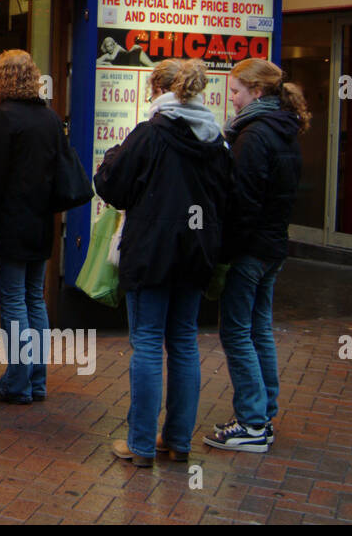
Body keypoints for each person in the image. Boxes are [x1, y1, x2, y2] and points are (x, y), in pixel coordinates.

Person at [94, 59, 232, 467]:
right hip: (197, 252)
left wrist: (112, 157)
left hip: (151, 251)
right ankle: (178, 441)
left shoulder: (149, 135)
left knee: (149, 345)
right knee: (186, 343)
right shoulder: (216, 140)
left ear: (157, 89)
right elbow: (227, 195)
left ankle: (140, 445)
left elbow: (111, 187)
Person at [204, 59, 308, 453]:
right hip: (273, 246)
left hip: (250, 250)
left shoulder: (253, 137)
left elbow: (243, 203)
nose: (230, 99)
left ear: (257, 92)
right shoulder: (285, 131)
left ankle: (251, 422)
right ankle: (263, 413)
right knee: (259, 329)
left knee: (236, 332)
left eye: (235, 91)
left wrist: (224, 253)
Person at [0, 50, 64, 404]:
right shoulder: (50, 118)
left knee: (13, 300)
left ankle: (16, 381)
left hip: (12, 222)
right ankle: (36, 379)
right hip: (42, 220)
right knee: (34, 299)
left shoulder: (2, 118)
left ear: (1, 79)